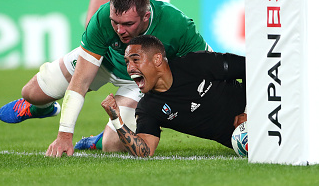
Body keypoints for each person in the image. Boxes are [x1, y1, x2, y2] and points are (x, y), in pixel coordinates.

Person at [0, 0, 210, 157]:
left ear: (146, 16)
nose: (119, 30)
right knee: (31, 93)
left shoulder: (177, 24)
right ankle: (43, 108)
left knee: (113, 146)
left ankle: (98, 140)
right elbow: (80, 81)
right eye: (115, 23)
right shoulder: (102, 19)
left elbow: (210, 64)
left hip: (139, 81)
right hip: (104, 62)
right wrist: (65, 134)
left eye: (127, 24)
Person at [101, 35, 246, 157]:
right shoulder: (148, 107)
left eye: (135, 60)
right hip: (247, 141)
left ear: (157, 59)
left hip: (265, 106)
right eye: (127, 62)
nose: (129, 68)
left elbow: (250, 67)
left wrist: (249, 111)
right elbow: (145, 151)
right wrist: (116, 120)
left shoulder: (197, 64)